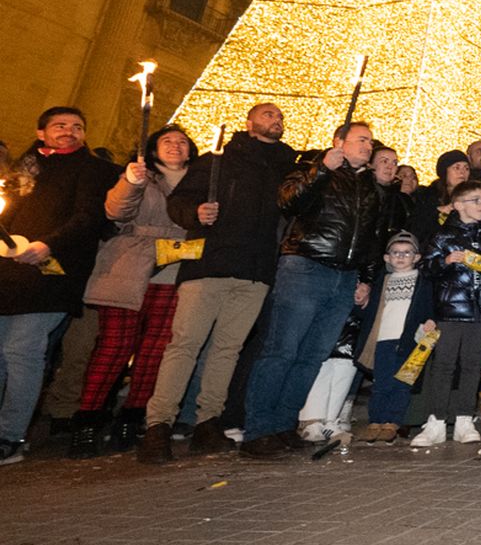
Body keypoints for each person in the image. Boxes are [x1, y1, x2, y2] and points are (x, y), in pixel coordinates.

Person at [140, 103, 298, 463]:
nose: (277, 119)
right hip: (209, 265)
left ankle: (207, 420)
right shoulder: (218, 160)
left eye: (280, 116)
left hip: (255, 270)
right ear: (250, 123)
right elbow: (179, 201)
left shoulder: (285, 166)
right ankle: (158, 424)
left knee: (227, 350)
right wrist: (194, 212)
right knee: (184, 345)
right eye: (269, 115)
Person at [240, 121, 381, 460]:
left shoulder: (369, 187)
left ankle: (284, 423)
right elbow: (289, 201)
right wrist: (320, 171)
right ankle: (258, 429)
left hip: (344, 277)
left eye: (370, 142)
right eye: (361, 139)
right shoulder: (311, 167)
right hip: (306, 265)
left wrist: (365, 277)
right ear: (338, 142)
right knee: (282, 349)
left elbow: (369, 238)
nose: (367, 146)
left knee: (312, 355)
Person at [0, 107, 119, 466]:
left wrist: (48, 245)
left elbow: (87, 218)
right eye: (60, 126)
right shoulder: (25, 166)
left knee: (23, 352)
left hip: (53, 273)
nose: (69, 132)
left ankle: (11, 435)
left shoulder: (93, 169)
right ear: (41, 132)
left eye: (77, 127)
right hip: (9, 270)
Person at [71, 125, 196, 457]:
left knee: (155, 351)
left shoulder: (198, 183)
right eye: (167, 141)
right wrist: (131, 181)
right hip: (129, 268)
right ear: (153, 149)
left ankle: (131, 417)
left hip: (173, 272)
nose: (175, 146)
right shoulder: (140, 177)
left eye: (182, 142)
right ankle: (87, 422)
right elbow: (116, 211)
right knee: (114, 347)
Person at [412, 180, 481, 446]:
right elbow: (426, 269)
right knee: (443, 365)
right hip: (450, 309)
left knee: (472, 365)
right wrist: (445, 261)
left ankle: (465, 419)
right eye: (475, 200)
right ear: (457, 205)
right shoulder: (442, 235)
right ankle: (436, 421)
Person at [352, 232, 431, 443]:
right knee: (381, 383)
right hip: (383, 339)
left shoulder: (422, 281)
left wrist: (431, 320)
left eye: (407, 253)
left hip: (410, 341)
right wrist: (362, 303)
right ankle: (375, 420)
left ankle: (392, 422)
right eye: (396, 252)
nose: (401, 257)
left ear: (417, 257)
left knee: (402, 384)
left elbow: (429, 307)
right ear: (387, 258)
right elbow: (370, 311)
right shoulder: (383, 281)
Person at [409, 150, 470, 250]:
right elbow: (417, 228)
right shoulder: (426, 196)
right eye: (457, 167)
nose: (462, 172)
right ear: (444, 172)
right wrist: (437, 211)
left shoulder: (474, 198)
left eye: (466, 168)